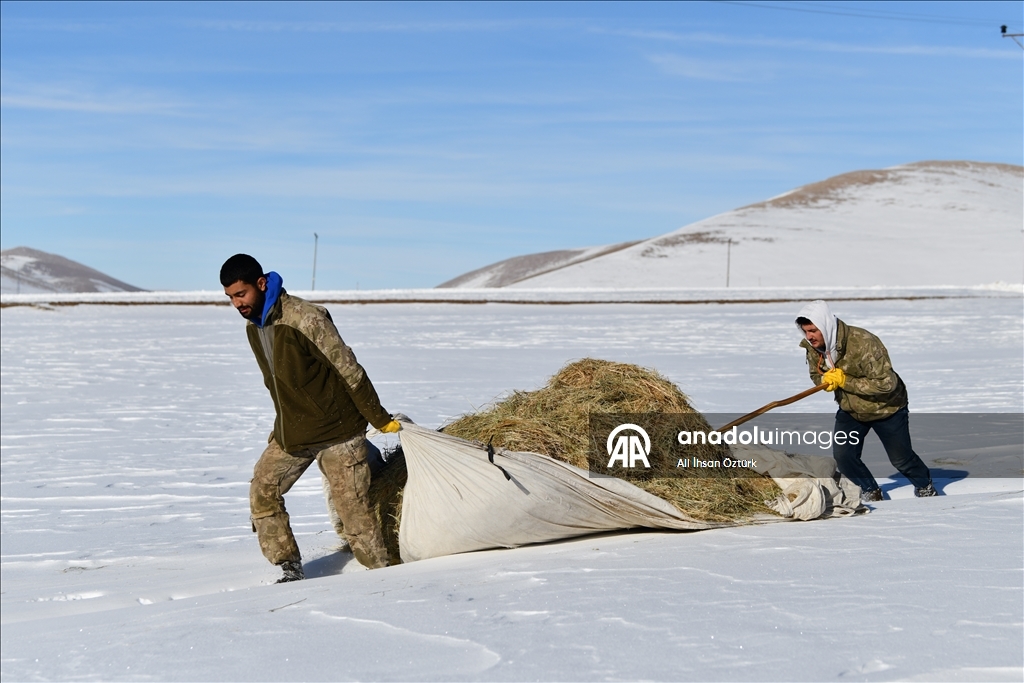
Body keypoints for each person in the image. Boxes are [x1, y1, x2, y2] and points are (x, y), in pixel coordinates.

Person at [220, 254, 402, 582]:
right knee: (263, 488)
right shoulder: (254, 326)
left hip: (338, 431)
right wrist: (281, 427)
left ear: (261, 284)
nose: (237, 304)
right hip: (295, 430)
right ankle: (289, 567)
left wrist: (378, 418)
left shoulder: (305, 318)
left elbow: (348, 369)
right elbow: (281, 384)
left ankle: (381, 576)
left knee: (354, 513)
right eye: (230, 297)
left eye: (241, 294)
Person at [795, 300, 936, 501]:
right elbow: (816, 375)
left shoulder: (863, 342)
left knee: (901, 459)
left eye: (813, 331)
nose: (809, 336)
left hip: (887, 407)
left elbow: (886, 383)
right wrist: (825, 380)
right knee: (844, 457)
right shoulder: (812, 347)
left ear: (825, 326)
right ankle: (870, 490)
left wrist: (844, 381)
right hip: (851, 409)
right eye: (805, 331)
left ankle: (924, 486)